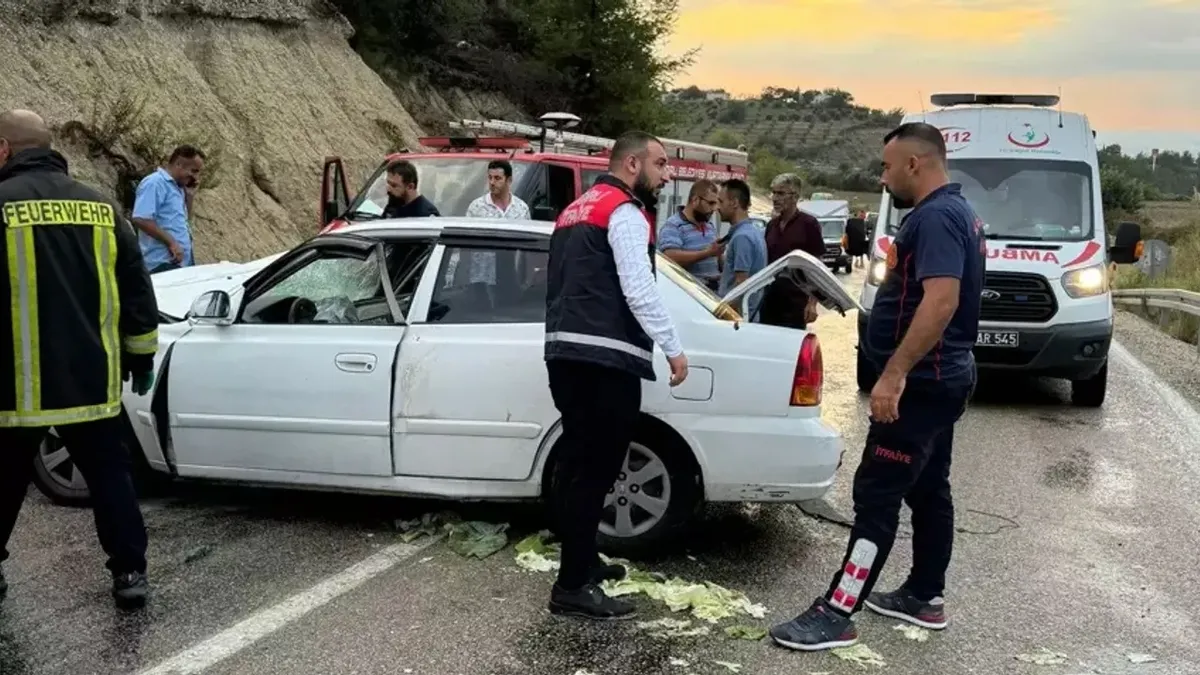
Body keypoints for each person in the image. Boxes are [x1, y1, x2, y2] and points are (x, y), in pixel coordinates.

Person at [769, 122, 984, 651]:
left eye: (888, 167)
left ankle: (838, 611)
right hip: (943, 376)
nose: (883, 177)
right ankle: (924, 596)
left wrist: (893, 374)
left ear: (915, 163)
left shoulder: (934, 218)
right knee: (930, 488)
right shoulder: (959, 214)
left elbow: (941, 301)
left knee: (877, 494)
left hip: (922, 382)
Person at [0, 109, 160, 609]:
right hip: (92, 381)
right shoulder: (101, 207)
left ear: (5, 150)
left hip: (16, 387)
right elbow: (136, 287)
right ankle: (130, 573)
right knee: (112, 480)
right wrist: (141, 354)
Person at [543, 130, 688, 620]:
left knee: (578, 468)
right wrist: (674, 349)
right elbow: (639, 289)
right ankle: (572, 586)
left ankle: (582, 562)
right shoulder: (624, 212)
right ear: (632, 164)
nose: (667, 175)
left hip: (565, 356)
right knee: (595, 473)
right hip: (605, 362)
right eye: (661, 164)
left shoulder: (575, 210)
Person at [758, 173, 825, 329]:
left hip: (796, 303)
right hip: (769, 301)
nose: (775, 198)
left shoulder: (809, 224)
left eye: (780, 193)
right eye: (773, 193)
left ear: (795, 197)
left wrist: (812, 303)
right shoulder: (772, 225)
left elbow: (817, 266)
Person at [131, 144, 204, 274]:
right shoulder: (155, 183)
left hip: (179, 265)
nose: (195, 177)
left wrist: (189, 197)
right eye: (194, 171)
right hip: (161, 264)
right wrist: (172, 243)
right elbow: (141, 218)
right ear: (179, 164)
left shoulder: (178, 188)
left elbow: (185, 222)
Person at [657, 179, 723, 291]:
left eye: (716, 204)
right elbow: (670, 258)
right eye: (711, 203)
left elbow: (717, 260)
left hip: (714, 295)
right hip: (692, 296)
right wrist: (707, 253)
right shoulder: (674, 225)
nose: (714, 209)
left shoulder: (710, 226)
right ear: (695, 200)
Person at [715, 179, 768, 318]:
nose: (717, 207)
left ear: (734, 203)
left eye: (721, 201)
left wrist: (721, 315)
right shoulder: (753, 232)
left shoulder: (742, 237)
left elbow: (741, 284)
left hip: (737, 319)